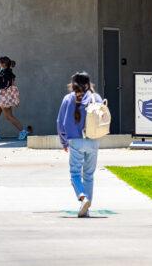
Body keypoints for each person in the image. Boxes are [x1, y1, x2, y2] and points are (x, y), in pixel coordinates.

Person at [56, 72, 102, 218]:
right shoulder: (96, 98)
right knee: (89, 175)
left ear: (73, 84)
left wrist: (63, 141)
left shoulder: (67, 99)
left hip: (75, 141)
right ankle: (86, 208)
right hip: (93, 140)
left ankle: (83, 198)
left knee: (75, 174)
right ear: (89, 84)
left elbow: (60, 123)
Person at [0, 56, 31, 141]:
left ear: (3, 64)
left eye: (0, 62)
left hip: (4, 97)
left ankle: (23, 131)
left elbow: (6, 85)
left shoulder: (7, 73)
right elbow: (2, 83)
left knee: (8, 116)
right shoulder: (3, 71)